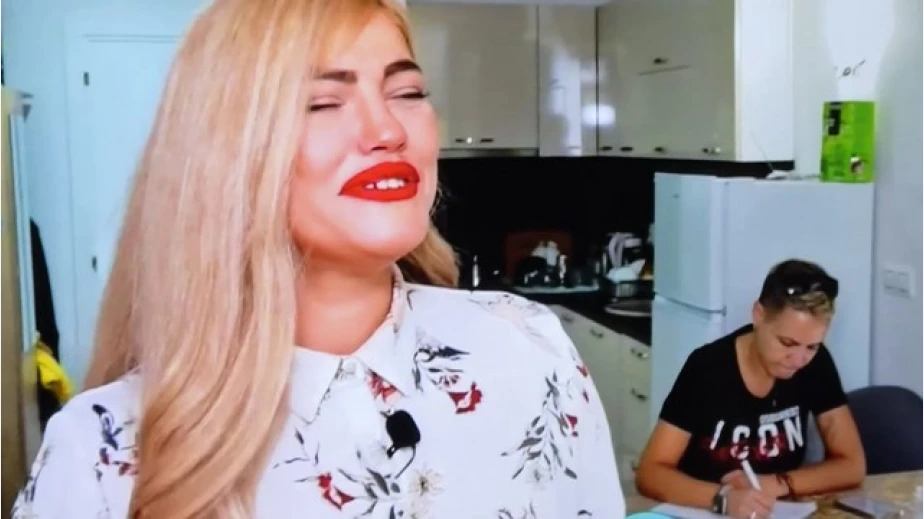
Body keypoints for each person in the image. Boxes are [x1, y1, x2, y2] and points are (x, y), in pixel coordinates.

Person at [11, 0, 624, 517]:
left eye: (407, 92)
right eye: (323, 103)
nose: (387, 129)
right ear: (228, 150)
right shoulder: (101, 454)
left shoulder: (530, 346)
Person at [635, 259, 865, 519]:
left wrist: (776, 483)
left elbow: (852, 466)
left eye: (811, 346)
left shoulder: (816, 364)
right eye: (787, 343)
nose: (799, 359)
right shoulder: (708, 368)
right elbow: (651, 473)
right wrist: (722, 498)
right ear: (758, 315)